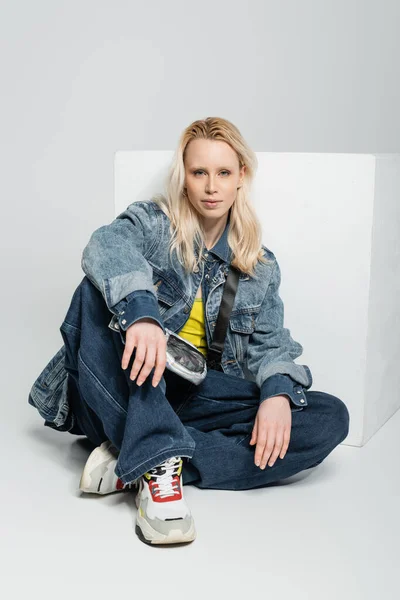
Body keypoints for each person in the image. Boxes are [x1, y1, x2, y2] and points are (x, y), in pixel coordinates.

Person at [28, 116, 350, 546]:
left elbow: (271, 344)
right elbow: (105, 245)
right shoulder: (154, 225)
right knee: (91, 293)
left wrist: (276, 393)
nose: (211, 187)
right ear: (184, 179)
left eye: (223, 173)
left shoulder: (260, 265)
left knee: (328, 416)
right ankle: (158, 467)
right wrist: (140, 315)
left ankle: (147, 455)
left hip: (192, 395)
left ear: (241, 179)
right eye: (200, 173)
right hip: (127, 384)